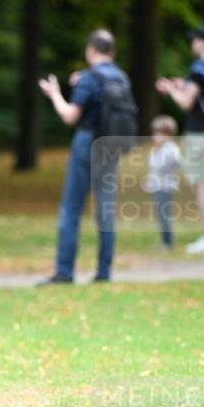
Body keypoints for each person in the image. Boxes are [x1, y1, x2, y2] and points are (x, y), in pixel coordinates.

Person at [38, 29, 129, 283]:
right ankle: (104, 271)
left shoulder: (90, 77)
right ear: (113, 52)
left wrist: (55, 94)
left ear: (90, 50)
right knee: (106, 209)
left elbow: (71, 116)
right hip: (111, 145)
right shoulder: (121, 78)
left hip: (87, 142)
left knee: (71, 208)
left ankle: (65, 271)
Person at [156, 24, 204, 254]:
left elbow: (187, 103)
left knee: (202, 185)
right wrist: (182, 84)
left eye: (194, 39)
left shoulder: (199, 68)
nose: (192, 43)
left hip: (199, 134)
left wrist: (172, 90)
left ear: (203, 42)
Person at [143, 115, 182, 249]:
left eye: (159, 133)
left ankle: (168, 242)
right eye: (154, 133)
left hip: (165, 187)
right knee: (160, 215)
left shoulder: (171, 149)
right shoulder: (156, 150)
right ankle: (164, 241)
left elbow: (175, 163)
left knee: (164, 215)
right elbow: (153, 169)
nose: (155, 136)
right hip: (157, 186)